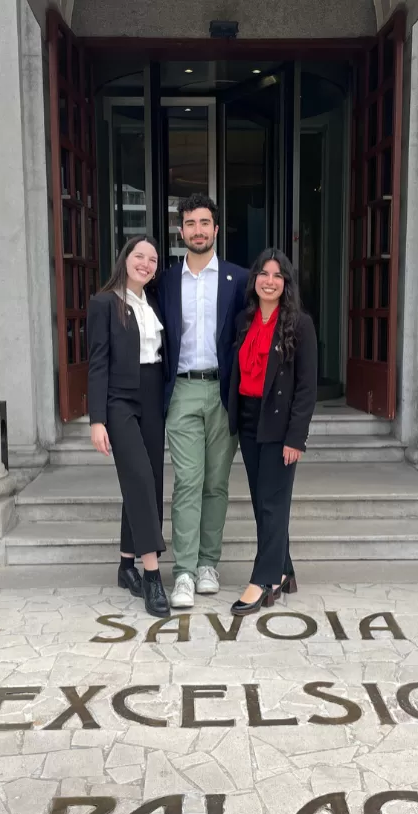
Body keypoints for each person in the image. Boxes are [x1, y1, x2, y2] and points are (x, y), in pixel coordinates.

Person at [157, 194, 248, 609]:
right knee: (189, 482)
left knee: (216, 483)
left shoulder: (239, 279)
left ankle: (210, 563)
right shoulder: (165, 280)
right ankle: (184, 572)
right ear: (181, 232)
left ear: (215, 228)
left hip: (223, 391)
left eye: (204, 223)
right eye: (190, 223)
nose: (198, 230)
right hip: (182, 391)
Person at [227, 248, 317, 616]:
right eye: (264, 273)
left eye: (277, 276)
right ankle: (285, 569)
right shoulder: (244, 321)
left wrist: (296, 437)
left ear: (286, 284)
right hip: (249, 421)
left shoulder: (299, 324)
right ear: (255, 279)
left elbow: (306, 388)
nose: (269, 280)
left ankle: (263, 580)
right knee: (263, 501)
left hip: (280, 426)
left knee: (272, 502)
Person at [87, 236, 170, 618]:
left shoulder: (152, 303)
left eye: (153, 259)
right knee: (137, 477)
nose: (147, 263)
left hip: (152, 396)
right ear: (125, 259)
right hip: (119, 400)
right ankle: (152, 575)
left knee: (149, 479)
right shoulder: (104, 303)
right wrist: (97, 419)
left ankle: (125, 565)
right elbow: (98, 363)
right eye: (140, 256)